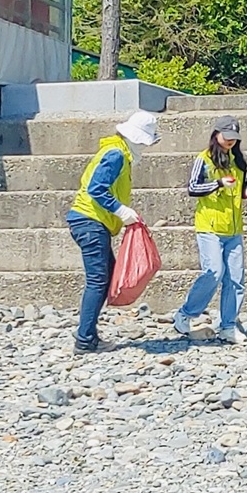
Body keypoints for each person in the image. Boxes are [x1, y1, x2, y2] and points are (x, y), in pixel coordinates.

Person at [66, 110, 160, 354]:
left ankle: (88, 334)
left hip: (89, 222)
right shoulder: (117, 154)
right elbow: (97, 189)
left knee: (104, 277)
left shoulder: (117, 151)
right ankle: (85, 340)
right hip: (91, 222)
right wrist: (120, 210)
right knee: (98, 280)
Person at [173, 115, 247, 344]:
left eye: (234, 138)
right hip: (209, 226)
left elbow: (241, 187)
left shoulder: (238, 161)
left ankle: (228, 326)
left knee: (235, 278)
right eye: (227, 137)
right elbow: (193, 188)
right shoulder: (203, 159)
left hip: (233, 229)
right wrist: (218, 184)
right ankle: (186, 313)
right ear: (216, 135)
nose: (230, 141)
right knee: (213, 272)